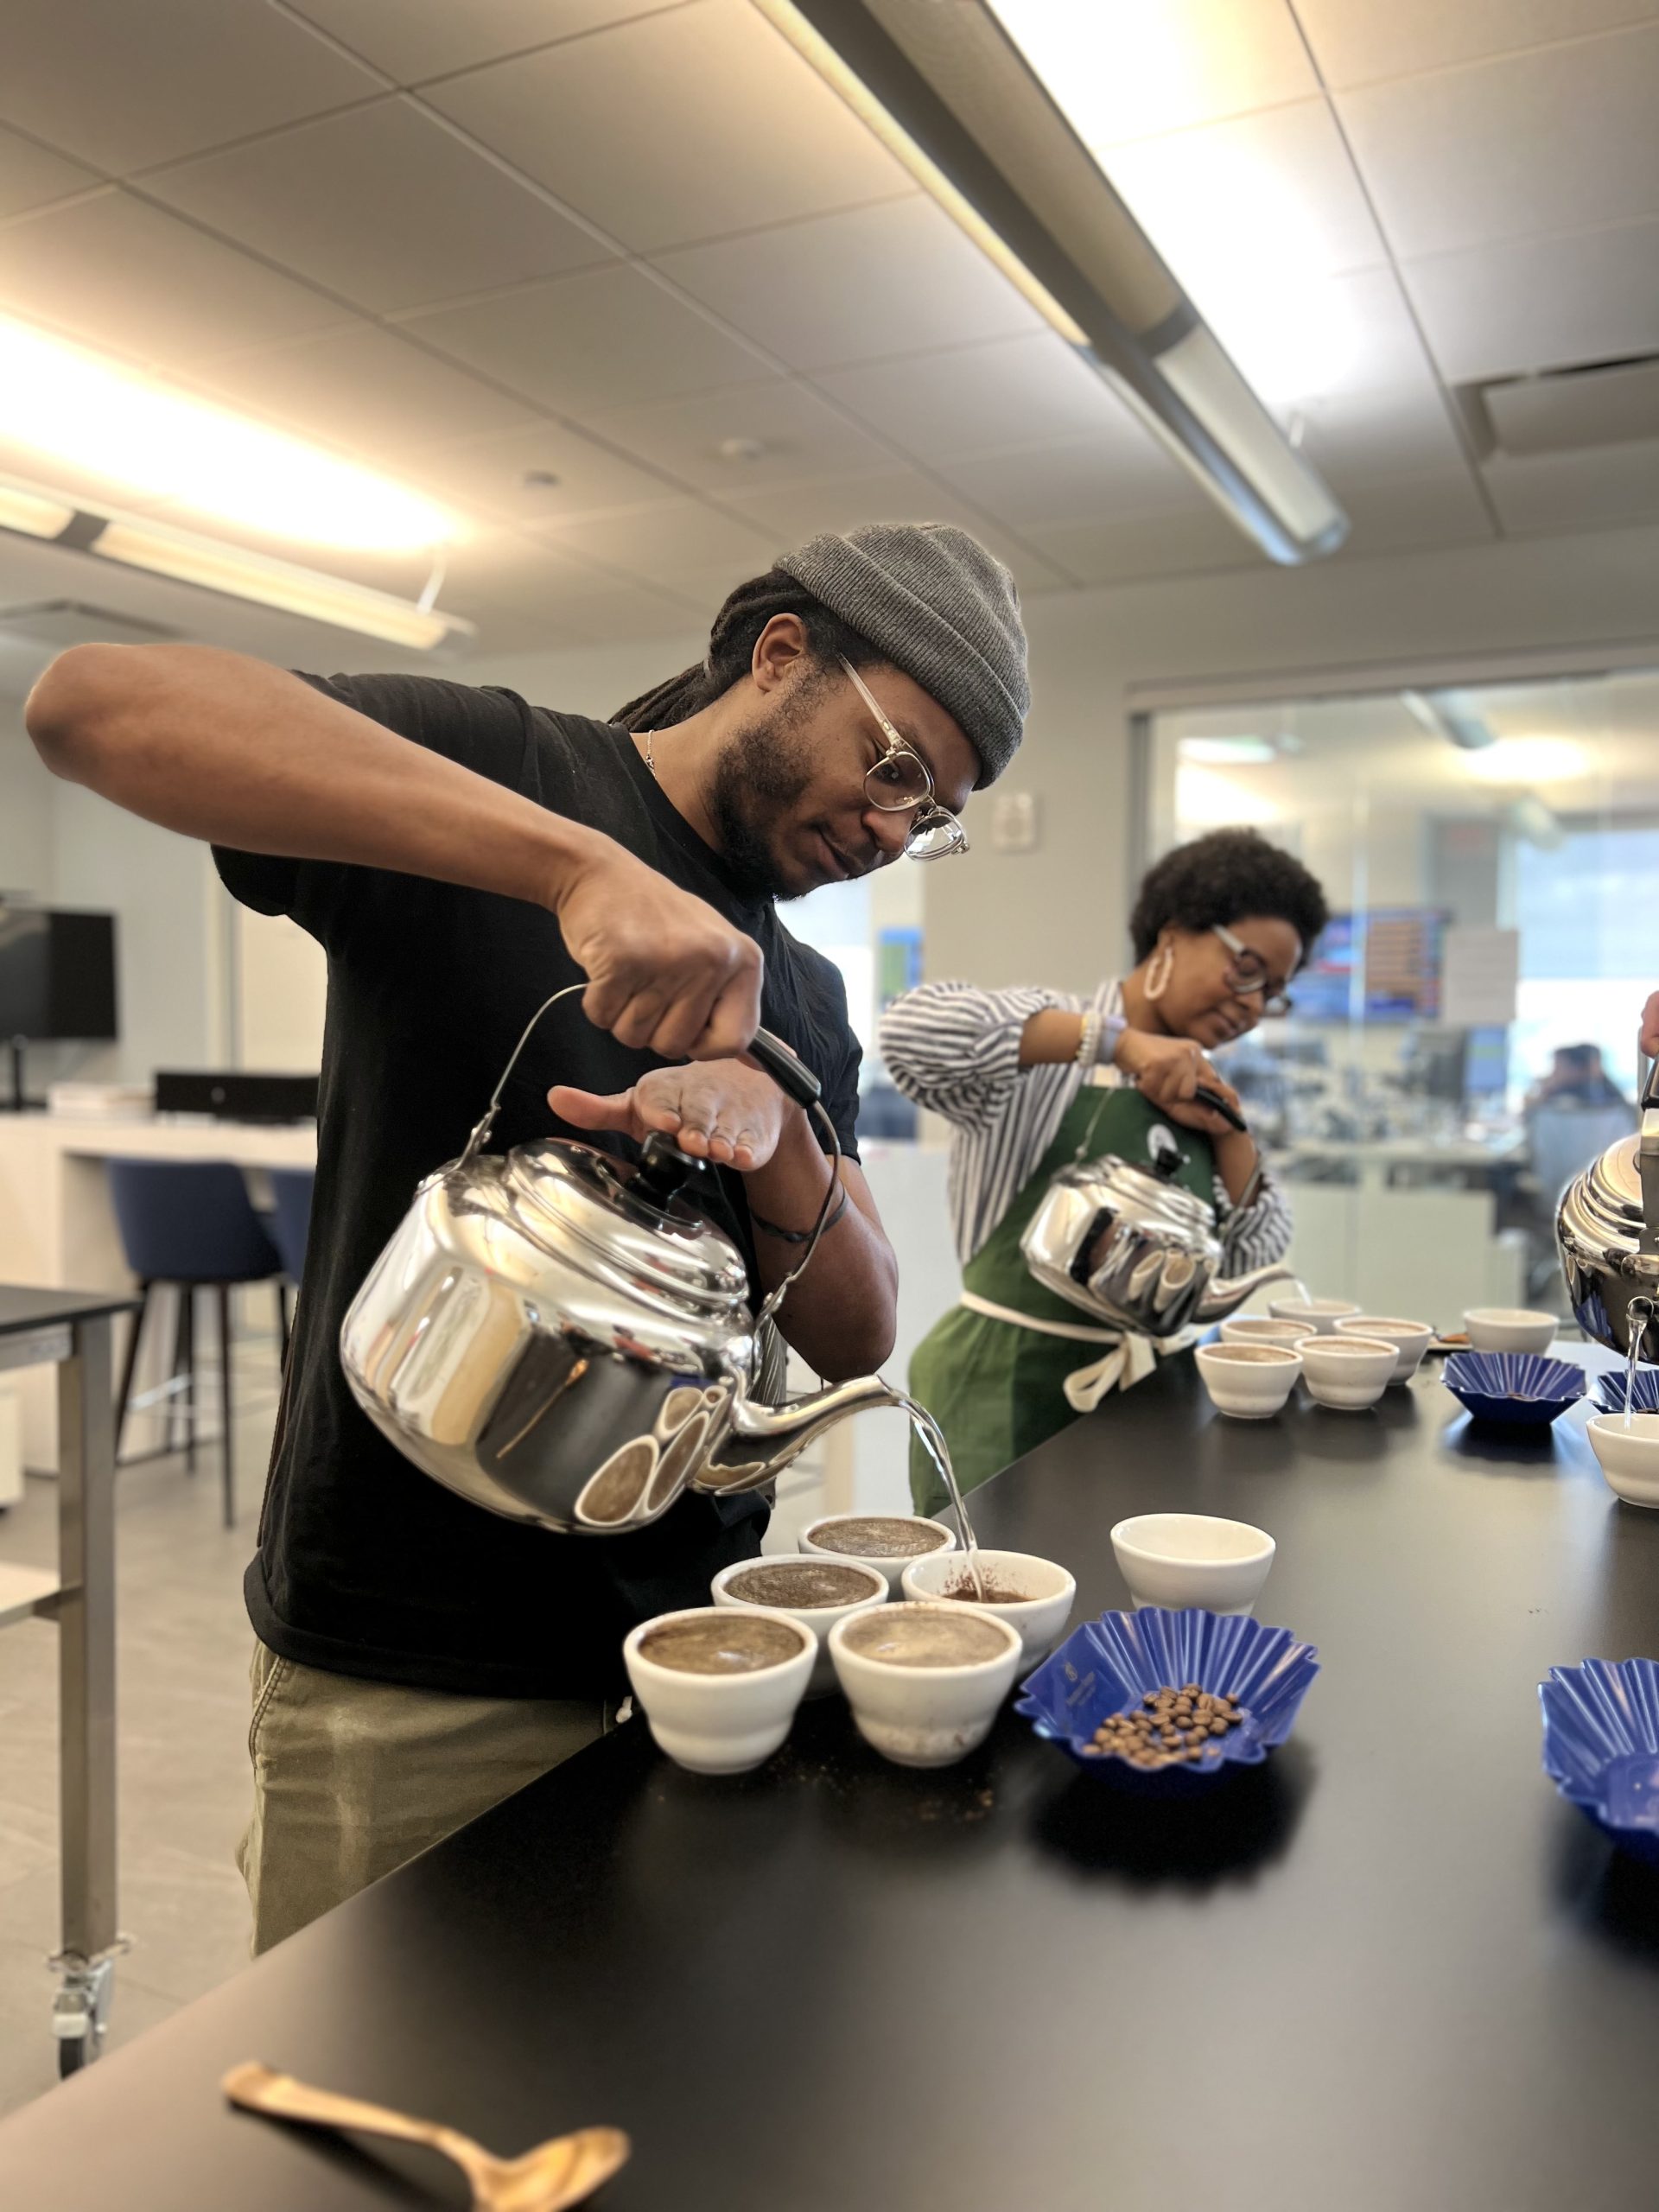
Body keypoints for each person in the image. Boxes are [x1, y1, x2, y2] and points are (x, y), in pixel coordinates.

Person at [24, 520, 1031, 1948]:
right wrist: (576, 874)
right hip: (415, 1666)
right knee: (359, 2129)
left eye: (930, 815)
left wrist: (778, 1132)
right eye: (896, 769)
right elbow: (90, 707)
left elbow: (856, 1331)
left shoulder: (800, 990)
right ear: (781, 654)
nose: (892, 829)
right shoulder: (507, 771)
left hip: (697, 1649)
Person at [882, 828, 1329, 1510]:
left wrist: (1233, 1136)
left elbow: (1251, 1258)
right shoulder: (1055, 1040)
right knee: (993, 1599)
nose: (1253, 1005)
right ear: (1174, 935)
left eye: (1273, 991)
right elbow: (914, 1032)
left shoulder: (1204, 1091)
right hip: (998, 1388)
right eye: (1247, 970)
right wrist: (1117, 1045)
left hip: (1148, 1398)